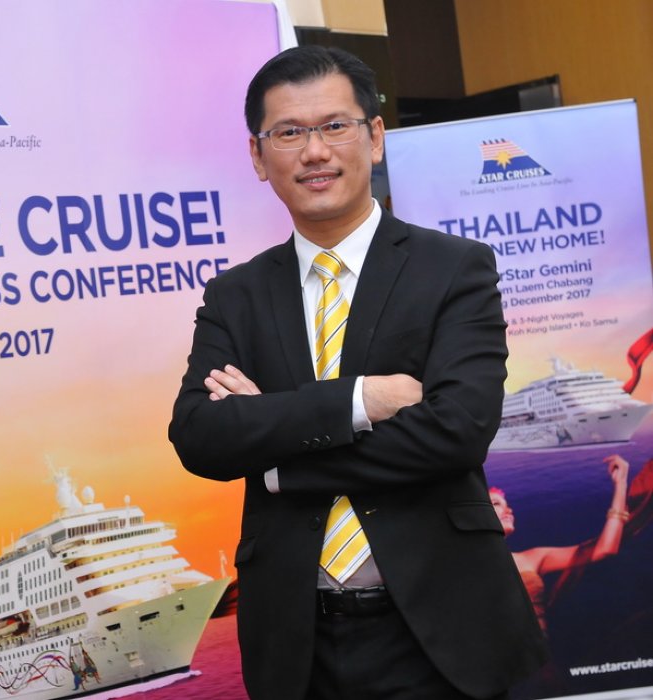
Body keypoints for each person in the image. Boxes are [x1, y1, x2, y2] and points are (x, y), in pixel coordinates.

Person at [168, 45, 546, 699]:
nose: (314, 152)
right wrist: (360, 401)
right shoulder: (236, 296)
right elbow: (200, 436)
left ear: (374, 137)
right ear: (258, 156)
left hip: (440, 633)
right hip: (297, 643)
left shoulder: (453, 269)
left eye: (335, 126)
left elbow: (457, 431)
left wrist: (278, 457)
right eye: (289, 133)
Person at [492, 454, 631, 634]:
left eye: (507, 505)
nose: (509, 510)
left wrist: (621, 484)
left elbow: (604, 549)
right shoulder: (461, 562)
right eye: (496, 503)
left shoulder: (532, 558)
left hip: (535, 650)